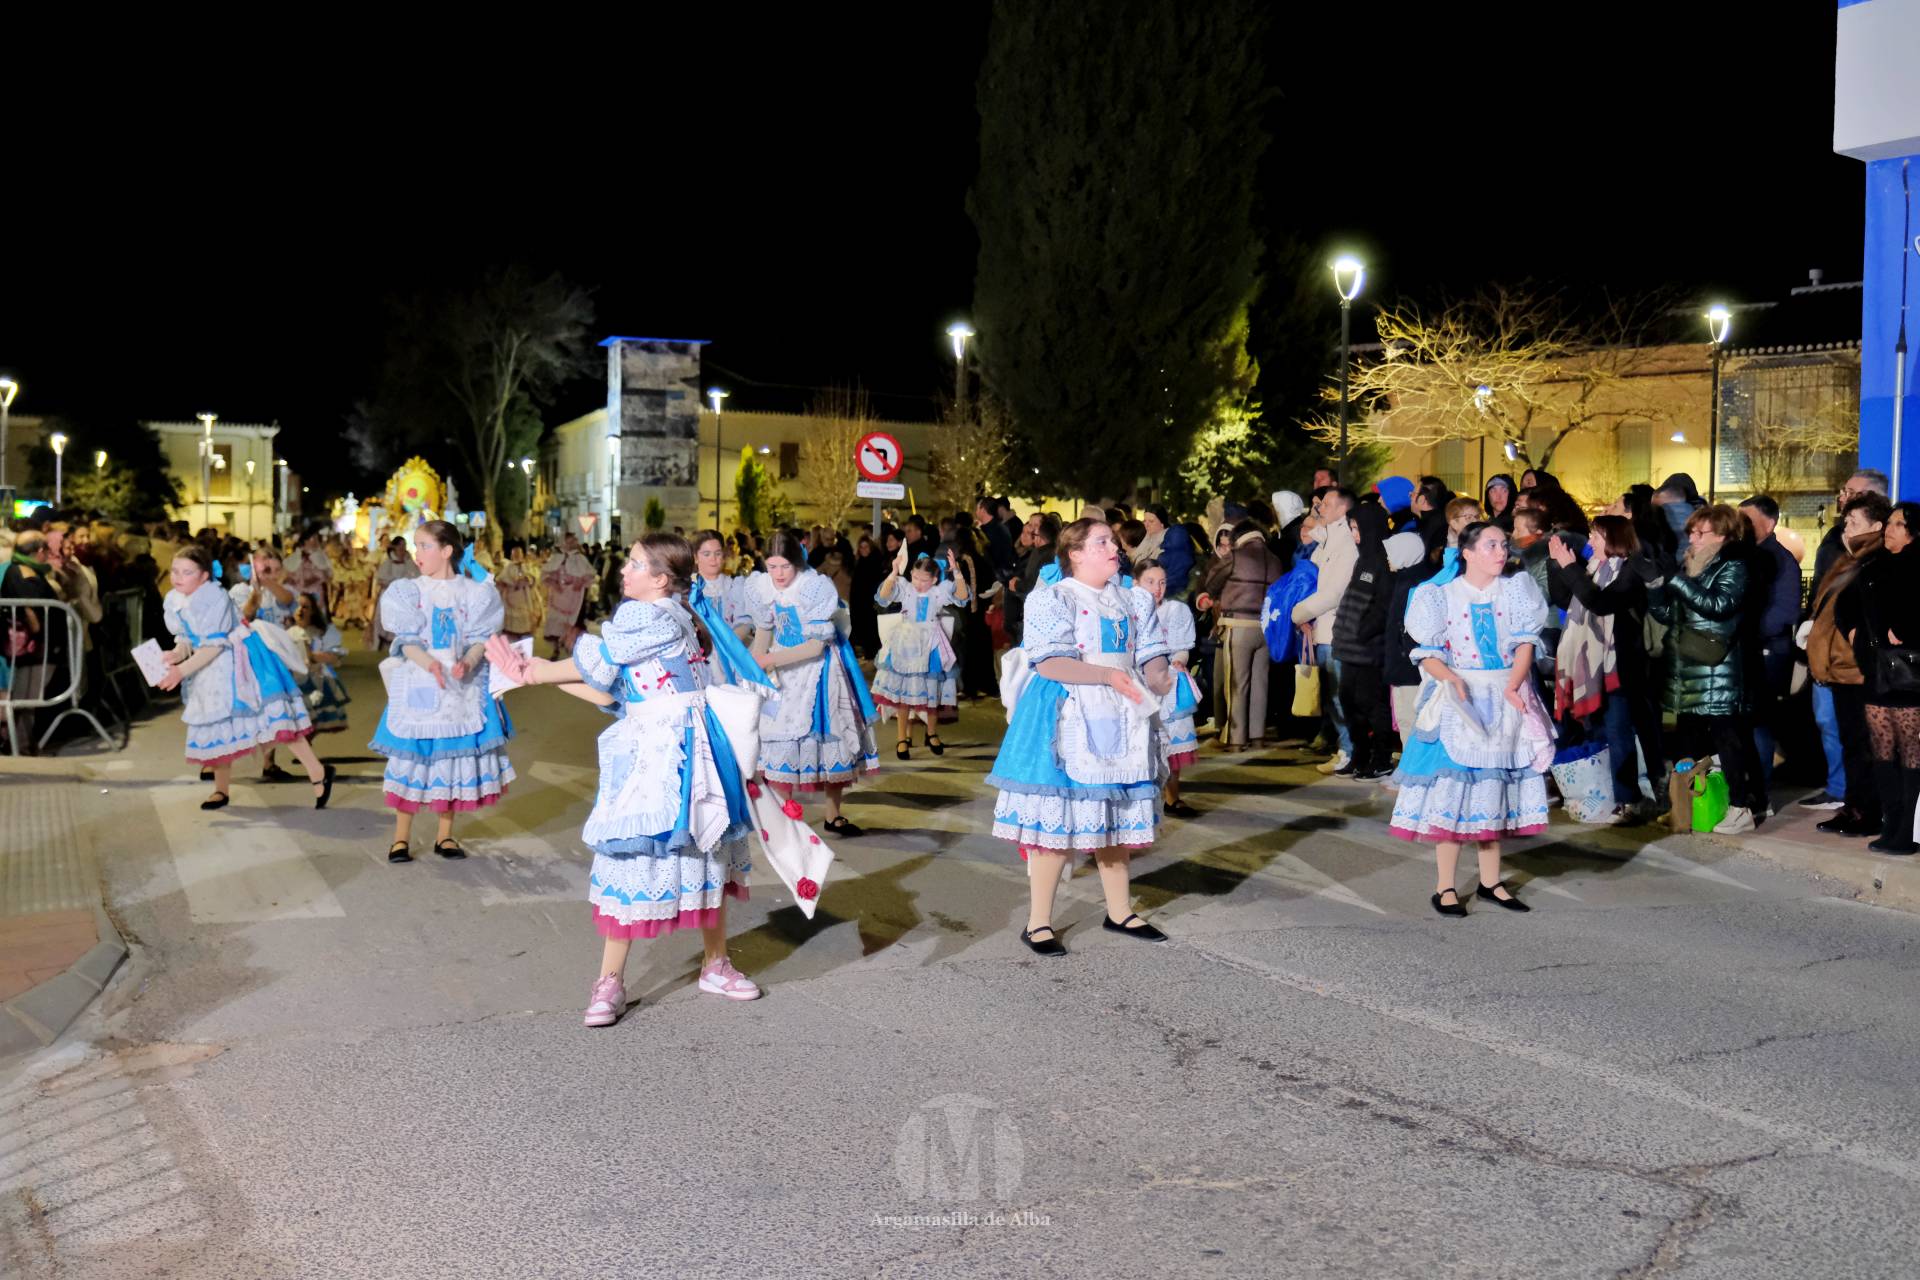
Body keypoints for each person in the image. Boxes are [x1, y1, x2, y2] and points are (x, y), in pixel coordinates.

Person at [488, 533, 763, 1023]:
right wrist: (534, 674)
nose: (623, 569)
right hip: (662, 750)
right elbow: (608, 690)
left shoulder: (651, 616)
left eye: (635, 563)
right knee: (640, 853)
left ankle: (708, 965)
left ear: (660, 579)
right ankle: (613, 980)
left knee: (703, 849)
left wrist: (535, 672)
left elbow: (598, 662)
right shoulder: (661, 617)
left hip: (683, 748)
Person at [986, 518, 1175, 955]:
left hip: (1122, 714)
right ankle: (1038, 922)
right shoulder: (1054, 598)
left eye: (1112, 541)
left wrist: (1162, 678)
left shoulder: (1134, 598)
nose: (1114, 548)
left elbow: (1150, 655)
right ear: (1075, 553)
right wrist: (1108, 676)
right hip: (1066, 715)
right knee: (1060, 818)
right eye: (1101, 542)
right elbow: (1050, 663)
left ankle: (1119, 910)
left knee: (1114, 814)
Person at [1392, 521, 1550, 915]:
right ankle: (1444, 886)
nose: (1501, 552)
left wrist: (1513, 686)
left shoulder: (1514, 590)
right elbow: (1427, 653)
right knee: (1455, 791)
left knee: (1492, 791)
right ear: (1467, 552)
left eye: (1503, 544)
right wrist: (1451, 679)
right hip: (1460, 703)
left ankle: (1490, 882)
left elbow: (1525, 644)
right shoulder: (1441, 595)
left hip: (1503, 697)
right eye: (1491, 545)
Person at [369, 520, 513, 862]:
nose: (417, 553)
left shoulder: (475, 592)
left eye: (425, 546)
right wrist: (428, 663)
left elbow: (481, 639)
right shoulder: (410, 591)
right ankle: (400, 838)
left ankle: (444, 836)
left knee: (452, 759)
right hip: (421, 683)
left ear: (447, 551)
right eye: (417, 546)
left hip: (461, 688)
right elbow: (406, 641)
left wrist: (469, 660)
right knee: (414, 757)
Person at [155, 546, 335, 811]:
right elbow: (187, 638)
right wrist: (175, 654)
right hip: (211, 665)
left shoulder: (214, 597)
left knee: (274, 721)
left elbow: (214, 645)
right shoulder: (175, 599)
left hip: (243, 660)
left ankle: (318, 771)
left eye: (187, 572)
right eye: (175, 571)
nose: (178, 577)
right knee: (217, 723)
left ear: (204, 576)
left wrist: (180, 671)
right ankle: (221, 789)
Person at [750, 530, 880, 836]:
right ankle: (783, 814)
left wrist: (769, 660)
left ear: (797, 562)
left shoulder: (813, 587)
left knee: (828, 737)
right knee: (778, 736)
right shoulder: (762, 586)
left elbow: (814, 647)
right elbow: (764, 630)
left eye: (785, 566)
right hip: (780, 668)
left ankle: (833, 814)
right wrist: (753, 666)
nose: (778, 574)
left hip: (817, 671)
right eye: (772, 566)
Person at [1654, 504, 1770, 835]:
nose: (1692, 538)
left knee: (1729, 738)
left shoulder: (1733, 565)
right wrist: (1654, 589)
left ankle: (1742, 806)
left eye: (1700, 532)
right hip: (1688, 667)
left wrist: (1677, 580)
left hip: (1720, 669)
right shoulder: (1690, 564)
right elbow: (1669, 613)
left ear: (1722, 535)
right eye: (1691, 532)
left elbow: (1719, 605)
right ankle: (1686, 805)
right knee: (1688, 740)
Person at [1549, 515, 1665, 822]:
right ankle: (1607, 795)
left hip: (1619, 668)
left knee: (1618, 731)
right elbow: (1564, 598)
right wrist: (1558, 564)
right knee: (1599, 730)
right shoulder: (1592, 569)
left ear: (1614, 539)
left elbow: (1600, 603)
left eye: (1596, 536)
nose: (1590, 542)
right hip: (1593, 669)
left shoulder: (1630, 571)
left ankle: (1630, 799)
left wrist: (1569, 567)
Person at [1802, 470, 1891, 811]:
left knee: (1862, 742)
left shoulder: (1875, 560)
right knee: (1845, 736)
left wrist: (1854, 640)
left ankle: (1862, 808)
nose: (1847, 527)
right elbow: (1828, 603)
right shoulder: (1845, 555)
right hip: (1835, 663)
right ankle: (1849, 802)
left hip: (1855, 665)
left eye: (1854, 521)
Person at [1854, 500, 1920, 854]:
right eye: (1889, 522)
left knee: (1911, 752)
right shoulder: (1874, 564)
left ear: (1913, 532)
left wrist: (1906, 628)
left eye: (1897, 524)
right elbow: (1854, 608)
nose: (1888, 529)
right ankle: (1890, 822)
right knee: (1881, 749)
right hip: (1876, 668)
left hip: (1909, 673)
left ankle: (1907, 830)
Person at [871, 546, 969, 758]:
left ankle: (931, 733)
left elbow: (962, 596)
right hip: (905, 644)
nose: (918, 583)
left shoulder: (938, 592)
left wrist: (957, 572)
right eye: (915, 577)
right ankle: (902, 737)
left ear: (934, 579)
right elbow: (884, 595)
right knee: (904, 695)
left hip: (931, 645)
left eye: (924, 579)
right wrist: (893, 572)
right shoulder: (906, 588)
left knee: (931, 694)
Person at [1197, 516, 1284, 752]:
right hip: (1265, 629)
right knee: (1260, 684)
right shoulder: (1275, 560)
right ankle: (1257, 737)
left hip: (1238, 626)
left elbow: (1211, 583)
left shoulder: (1235, 557)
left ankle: (1236, 739)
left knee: (1237, 684)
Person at [1290, 486, 1358, 770]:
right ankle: (1345, 749)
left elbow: (1334, 593)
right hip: (1322, 629)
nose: (1320, 509)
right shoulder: (1327, 541)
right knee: (1331, 696)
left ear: (1343, 509)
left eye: (1327, 504)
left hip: (1336, 631)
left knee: (1340, 696)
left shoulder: (1347, 546)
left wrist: (1298, 613)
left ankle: (1350, 752)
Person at [1738, 496, 1802, 791]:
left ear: (1770, 523)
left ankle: (1758, 789)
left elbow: (1785, 612)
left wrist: (1747, 631)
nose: (1741, 526)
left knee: (1758, 722)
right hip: (1748, 650)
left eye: (1747, 520)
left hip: (1768, 653)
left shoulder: (1780, 560)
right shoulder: (1742, 555)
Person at [1331, 501, 1397, 779]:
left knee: (1372, 704)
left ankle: (1381, 758)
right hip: (1350, 648)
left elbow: (1383, 605)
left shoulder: (1383, 561)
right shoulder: (1362, 560)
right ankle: (1360, 754)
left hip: (1370, 650)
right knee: (1348, 701)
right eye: (1351, 528)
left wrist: (1364, 631)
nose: (1354, 534)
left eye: (1357, 528)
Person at [290, 593, 352, 735]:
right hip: (296, 681)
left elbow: (335, 657)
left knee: (313, 723)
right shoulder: (288, 632)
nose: (300, 610)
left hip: (318, 681)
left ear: (312, 611)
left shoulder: (322, 632)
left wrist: (312, 656)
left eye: (305, 607)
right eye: (297, 606)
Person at [542, 534, 595, 657]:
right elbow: (546, 574)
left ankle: (571, 649)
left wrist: (580, 581)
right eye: (569, 541)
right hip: (558, 594)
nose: (572, 543)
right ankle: (555, 648)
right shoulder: (557, 557)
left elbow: (590, 575)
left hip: (573, 595)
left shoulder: (580, 558)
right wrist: (554, 582)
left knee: (572, 622)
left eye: (573, 541)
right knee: (555, 620)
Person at [369, 537, 420, 652]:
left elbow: (416, 576)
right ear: (395, 547)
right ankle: (380, 644)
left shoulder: (409, 562)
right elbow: (381, 579)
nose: (402, 548)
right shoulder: (388, 562)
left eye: (404, 545)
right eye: (400, 545)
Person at [496, 541, 542, 642]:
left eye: (518, 553)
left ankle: (525, 639)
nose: (517, 555)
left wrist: (528, 579)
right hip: (511, 599)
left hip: (526, 597)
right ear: (511, 555)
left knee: (527, 625)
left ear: (522, 554)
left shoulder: (527, 566)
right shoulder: (508, 567)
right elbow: (500, 580)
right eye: (515, 554)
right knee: (512, 630)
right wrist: (509, 584)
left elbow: (534, 577)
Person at [285, 529, 333, 603]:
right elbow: (288, 572)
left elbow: (328, 572)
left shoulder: (320, 555)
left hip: (318, 596)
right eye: (313, 539)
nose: (316, 542)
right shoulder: (296, 556)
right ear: (305, 541)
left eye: (316, 539)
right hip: (298, 597)